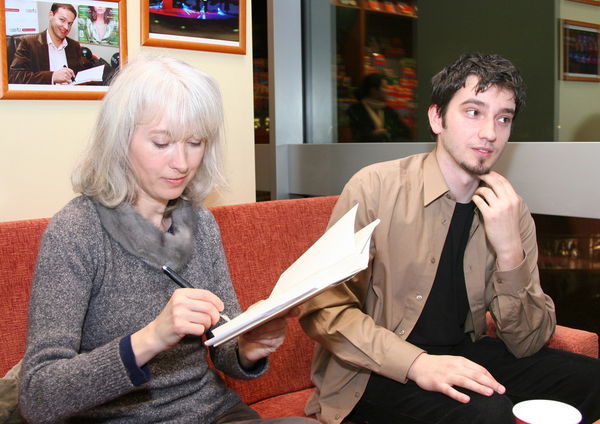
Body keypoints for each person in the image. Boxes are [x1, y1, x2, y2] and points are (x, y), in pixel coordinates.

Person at [299, 53, 600, 424]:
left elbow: (528, 341)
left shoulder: (509, 209)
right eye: (473, 112)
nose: (490, 133)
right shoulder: (375, 187)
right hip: (374, 370)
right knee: (487, 414)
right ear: (436, 118)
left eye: (503, 118)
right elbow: (323, 308)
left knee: (592, 380)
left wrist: (510, 253)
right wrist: (417, 363)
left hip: (463, 353)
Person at [19, 55, 318, 424]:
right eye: (162, 143)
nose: (182, 163)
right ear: (119, 141)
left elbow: (223, 342)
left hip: (212, 412)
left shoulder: (199, 222)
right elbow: (38, 396)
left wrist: (246, 346)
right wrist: (152, 338)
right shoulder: (77, 231)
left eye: (195, 142)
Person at [9, 3, 88, 85]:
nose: (66, 27)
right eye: (62, 20)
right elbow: (15, 77)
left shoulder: (74, 46)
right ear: (51, 15)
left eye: (69, 23)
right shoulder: (29, 43)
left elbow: (79, 77)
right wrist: (52, 76)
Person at [347, 73, 411, 142]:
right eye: (384, 87)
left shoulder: (389, 111)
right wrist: (373, 135)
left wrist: (386, 133)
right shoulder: (355, 110)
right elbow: (354, 136)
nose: (387, 91)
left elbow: (404, 132)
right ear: (374, 90)